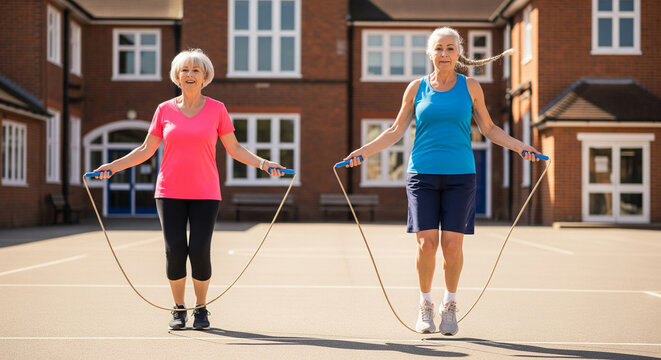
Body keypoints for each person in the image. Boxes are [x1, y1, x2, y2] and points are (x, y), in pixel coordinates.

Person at [343, 27, 542, 335]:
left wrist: (520, 147)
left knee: (451, 246)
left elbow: (489, 129)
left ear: (458, 53)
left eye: (450, 48)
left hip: (461, 176)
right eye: (439, 49)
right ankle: (425, 305)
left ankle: (449, 305)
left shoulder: (471, 87)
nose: (444, 54)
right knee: (426, 243)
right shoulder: (416, 88)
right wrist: (364, 151)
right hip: (422, 174)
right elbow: (395, 131)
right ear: (429, 53)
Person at [93, 48, 287, 330]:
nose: (189, 74)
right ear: (177, 75)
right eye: (184, 70)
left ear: (205, 76)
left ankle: (201, 307)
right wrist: (112, 166)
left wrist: (263, 163)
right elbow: (146, 149)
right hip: (169, 191)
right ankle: (178, 308)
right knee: (174, 251)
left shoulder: (217, 109)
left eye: (196, 70)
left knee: (198, 250)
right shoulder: (164, 110)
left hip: (206, 193)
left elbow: (234, 148)